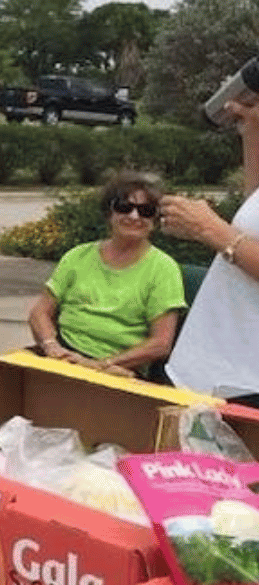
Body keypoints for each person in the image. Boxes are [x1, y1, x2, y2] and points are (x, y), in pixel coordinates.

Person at [28, 170, 185, 377]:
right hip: (63, 356)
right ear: (109, 212)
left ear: (155, 219)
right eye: (124, 207)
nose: (134, 216)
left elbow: (161, 343)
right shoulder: (77, 256)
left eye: (146, 210)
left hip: (119, 368)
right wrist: (52, 347)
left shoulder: (164, 268)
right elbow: (39, 312)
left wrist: (101, 364)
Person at [162, 98, 259, 403]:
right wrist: (252, 129)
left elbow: (227, 236)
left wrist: (209, 229)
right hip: (206, 365)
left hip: (246, 381)